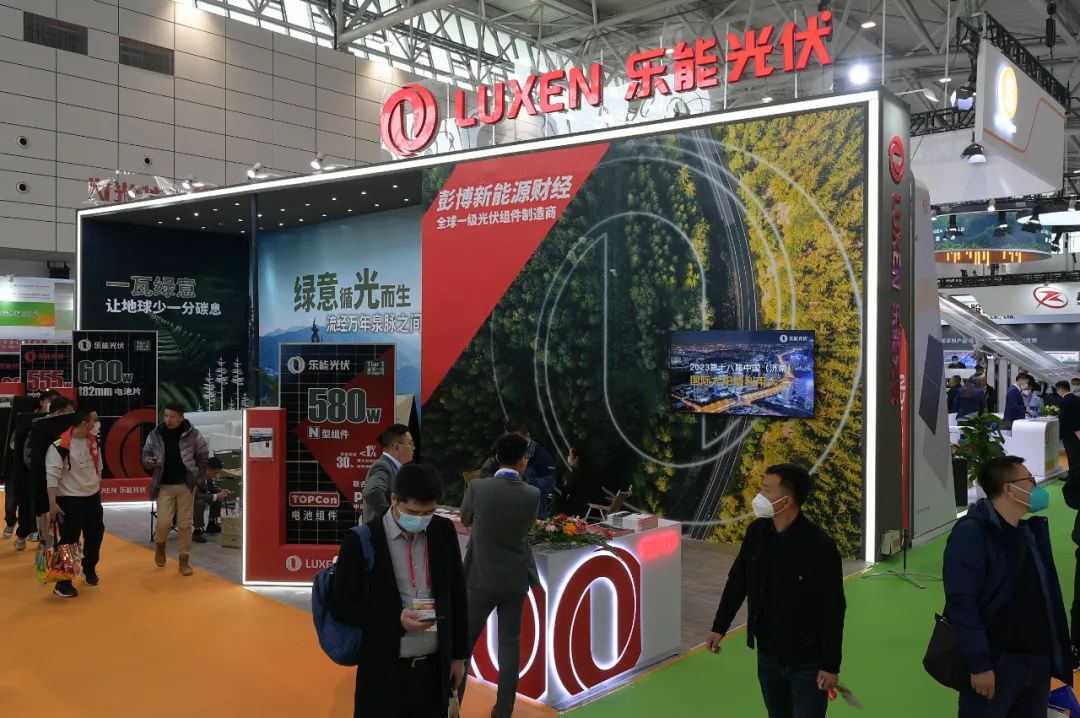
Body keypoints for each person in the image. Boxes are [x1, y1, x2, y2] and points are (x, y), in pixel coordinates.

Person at [705, 464, 846, 718]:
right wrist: (719, 626)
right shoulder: (756, 533)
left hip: (807, 663)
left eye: (766, 490)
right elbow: (738, 581)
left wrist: (830, 665)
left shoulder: (820, 546)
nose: (759, 496)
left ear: (787, 501)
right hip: (768, 656)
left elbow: (833, 609)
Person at [328, 463, 468, 718]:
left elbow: (457, 595)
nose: (421, 519)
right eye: (413, 512)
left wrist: (458, 655)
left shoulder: (442, 531)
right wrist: (395, 618)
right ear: (394, 499)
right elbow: (341, 605)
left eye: (429, 512)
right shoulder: (363, 540)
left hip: (432, 672)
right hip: (384, 672)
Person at [942, 456, 1072, 716]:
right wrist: (980, 664)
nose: (1035, 486)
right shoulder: (971, 534)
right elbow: (962, 603)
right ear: (1010, 489)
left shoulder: (1029, 532)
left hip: (1037, 661)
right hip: (999, 663)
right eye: (1029, 480)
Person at [460, 433, 541, 718]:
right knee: (509, 646)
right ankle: (504, 710)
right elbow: (528, 528)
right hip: (514, 580)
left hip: (479, 579)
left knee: (463, 644)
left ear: (496, 457)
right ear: (523, 461)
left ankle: (451, 705)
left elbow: (465, 518)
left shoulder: (477, 487)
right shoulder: (532, 494)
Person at [142, 403, 209, 576]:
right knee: (163, 523)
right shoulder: (156, 434)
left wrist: (198, 479)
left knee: (185, 525)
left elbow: (203, 456)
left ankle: (184, 561)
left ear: (181, 417)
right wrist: (149, 461)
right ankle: (160, 547)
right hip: (164, 485)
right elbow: (145, 453)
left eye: (172, 416)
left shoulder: (193, 434)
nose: (168, 420)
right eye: (166, 416)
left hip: (186, 485)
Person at [45, 409, 104, 599]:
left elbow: (98, 467)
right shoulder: (59, 445)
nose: (97, 424)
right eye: (94, 420)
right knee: (69, 541)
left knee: (95, 536)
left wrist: (97, 489)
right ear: (84, 424)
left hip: (92, 498)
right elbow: (52, 476)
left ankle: (89, 569)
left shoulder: (92, 441)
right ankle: (62, 583)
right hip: (69, 500)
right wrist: (52, 504)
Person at [13, 395, 73, 550]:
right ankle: (42, 542)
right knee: (41, 514)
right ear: (59, 411)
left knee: (67, 518)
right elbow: (28, 455)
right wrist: (38, 471)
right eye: (68, 412)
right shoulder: (38, 425)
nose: (71, 415)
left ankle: (69, 549)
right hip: (40, 480)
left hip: (64, 481)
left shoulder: (70, 428)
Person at [482, 419, 557, 519]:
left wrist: (522, 483)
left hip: (532, 515)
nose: (512, 443)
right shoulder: (501, 450)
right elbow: (486, 471)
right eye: (508, 439)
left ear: (527, 436)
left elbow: (549, 483)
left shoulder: (542, 456)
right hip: (503, 513)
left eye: (516, 439)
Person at [362, 424, 414, 523]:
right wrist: (391, 517)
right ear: (396, 447)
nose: (413, 448)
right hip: (381, 530)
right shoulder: (383, 465)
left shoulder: (395, 468)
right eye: (410, 443)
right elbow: (372, 492)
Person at [558, 447, 606, 517]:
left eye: (570, 455)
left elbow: (568, 489)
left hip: (583, 508)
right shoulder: (590, 469)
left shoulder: (578, 472)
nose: (568, 457)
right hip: (594, 507)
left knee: (561, 500)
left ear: (577, 458)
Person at [193, 456, 231, 543]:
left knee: (217, 498)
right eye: (215, 473)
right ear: (207, 469)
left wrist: (221, 491)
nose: (216, 476)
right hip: (188, 500)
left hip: (201, 496)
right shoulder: (196, 475)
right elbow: (196, 495)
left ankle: (212, 524)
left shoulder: (207, 476)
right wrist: (216, 496)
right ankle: (197, 531)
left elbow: (211, 487)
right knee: (200, 502)